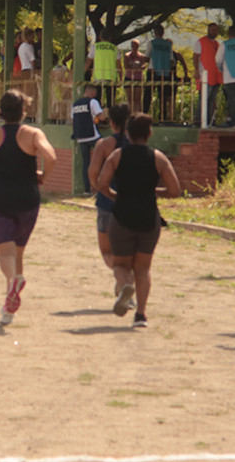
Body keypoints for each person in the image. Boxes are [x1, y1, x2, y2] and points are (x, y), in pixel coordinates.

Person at [0, 89, 56, 326]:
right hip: (28, 198)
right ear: (23, 111)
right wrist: (41, 176)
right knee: (18, 251)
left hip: (0, 198)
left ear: (0, 111)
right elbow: (50, 157)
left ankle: (13, 282)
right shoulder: (32, 134)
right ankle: (9, 309)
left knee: (5, 253)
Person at [95, 113, 182, 329]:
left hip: (122, 215)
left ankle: (125, 285)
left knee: (120, 264)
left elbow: (101, 183)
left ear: (128, 133)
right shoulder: (158, 157)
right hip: (148, 217)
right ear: (149, 133)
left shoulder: (117, 156)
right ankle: (141, 315)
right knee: (143, 268)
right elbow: (175, 190)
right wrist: (152, 191)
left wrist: (115, 195)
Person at [87, 103, 131, 280]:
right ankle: (128, 277)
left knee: (107, 250)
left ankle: (123, 279)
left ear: (112, 122)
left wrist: (99, 188)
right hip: (131, 202)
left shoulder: (104, 145)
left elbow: (93, 172)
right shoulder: (137, 144)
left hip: (107, 202)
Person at [143, 26, 188, 122]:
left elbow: (146, 57)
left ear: (154, 32)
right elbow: (172, 60)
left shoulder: (152, 43)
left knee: (148, 94)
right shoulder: (168, 44)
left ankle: (144, 115)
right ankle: (162, 117)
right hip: (165, 72)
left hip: (153, 71)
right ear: (163, 33)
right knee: (162, 96)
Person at [70, 83, 107, 196]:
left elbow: (73, 120)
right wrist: (106, 111)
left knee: (86, 163)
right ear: (93, 93)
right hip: (93, 135)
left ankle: (87, 190)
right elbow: (101, 116)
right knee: (105, 158)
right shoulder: (93, 102)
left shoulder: (75, 104)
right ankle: (103, 186)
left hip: (80, 137)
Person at [193, 22, 223, 126]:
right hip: (205, 76)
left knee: (211, 100)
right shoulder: (201, 42)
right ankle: (198, 120)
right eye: (212, 29)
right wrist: (196, 71)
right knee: (204, 99)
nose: (214, 32)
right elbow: (195, 57)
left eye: (216, 30)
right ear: (208, 30)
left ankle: (210, 121)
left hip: (216, 76)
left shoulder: (217, 44)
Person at [122, 39, 148, 113]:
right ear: (131, 46)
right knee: (130, 98)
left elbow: (144, 65)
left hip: (138, 79)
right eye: (133, 45)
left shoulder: (141, 56)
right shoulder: (127, 55)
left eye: (136, 46)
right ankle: (130, 114)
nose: (135, 47)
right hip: (129, 78)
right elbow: (126, 66)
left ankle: (138, 114)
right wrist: (133, 68)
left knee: (138, 99)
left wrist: (139, 67)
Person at [17, 27, 37, 119]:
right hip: (29, 71)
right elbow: (32, 60)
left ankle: (24, 112)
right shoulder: (29, 47)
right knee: (31, 92)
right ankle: (30, 114)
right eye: (32, 36)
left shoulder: (21, 47)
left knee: (24, 92)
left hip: (23, 70)